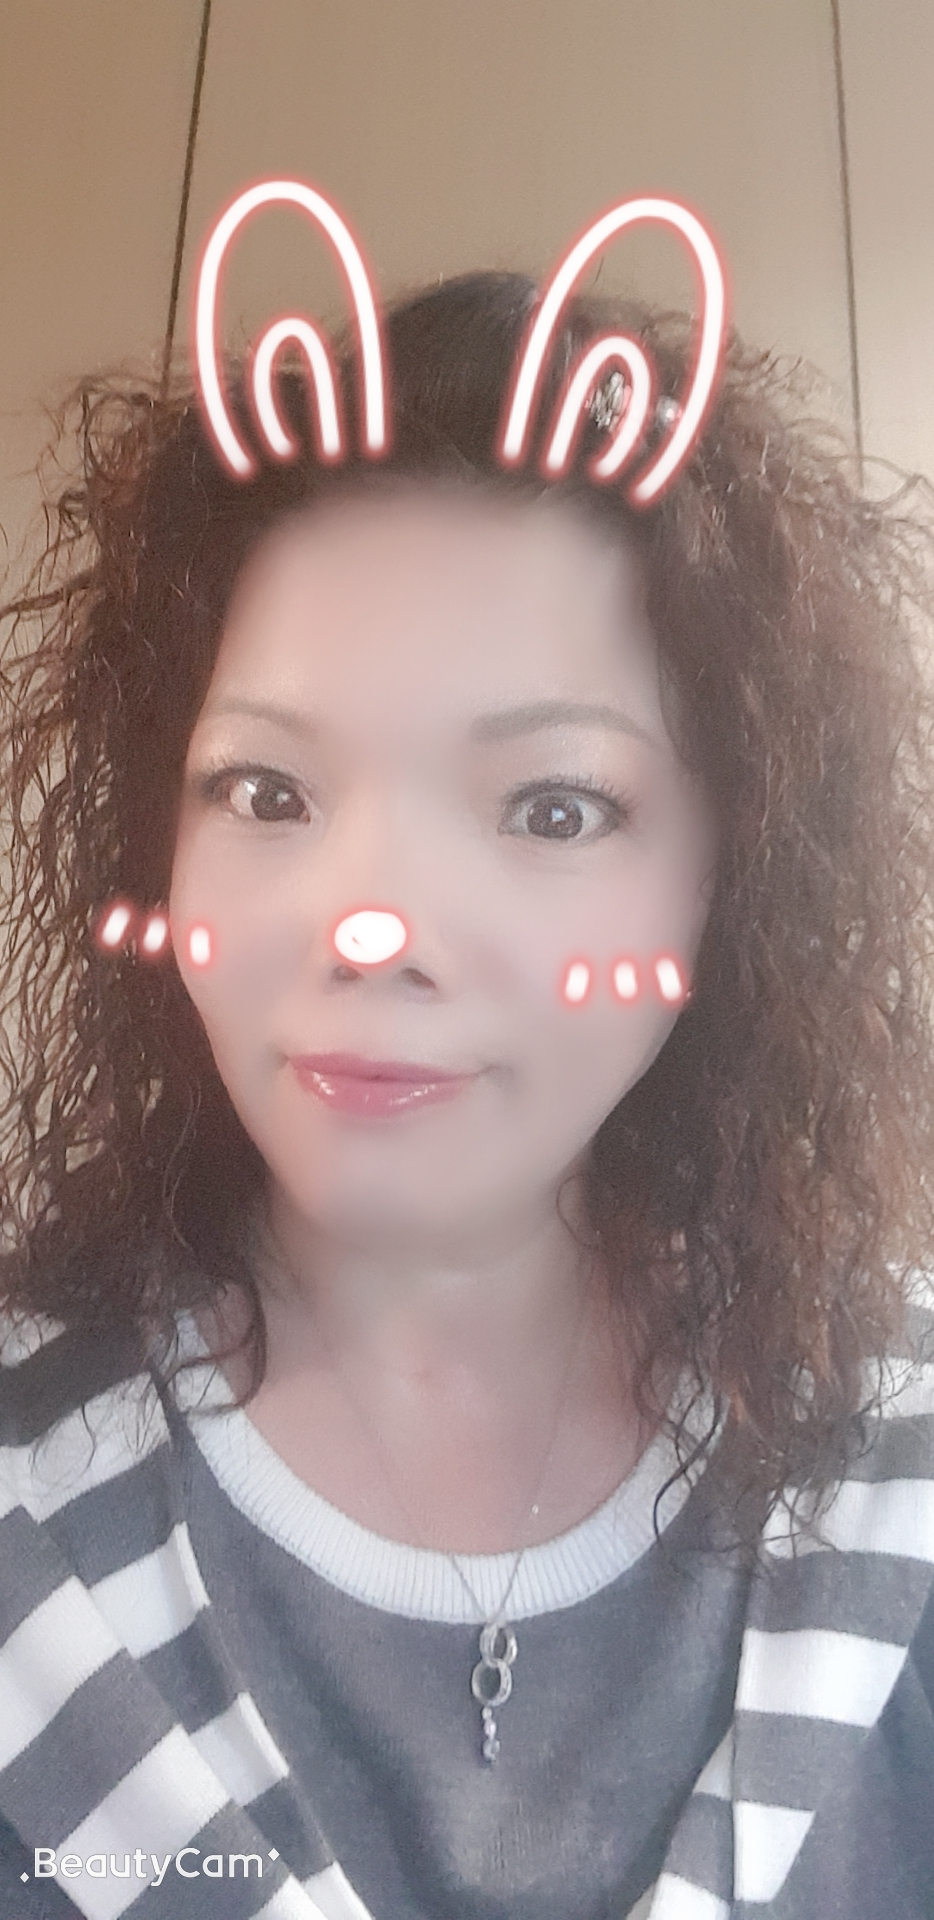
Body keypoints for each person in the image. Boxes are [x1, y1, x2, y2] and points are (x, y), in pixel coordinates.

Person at [1, 269, 933, 1920]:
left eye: (550, 809)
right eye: (264, 790)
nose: (373, 931)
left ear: (733, 878)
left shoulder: (898, 1462)